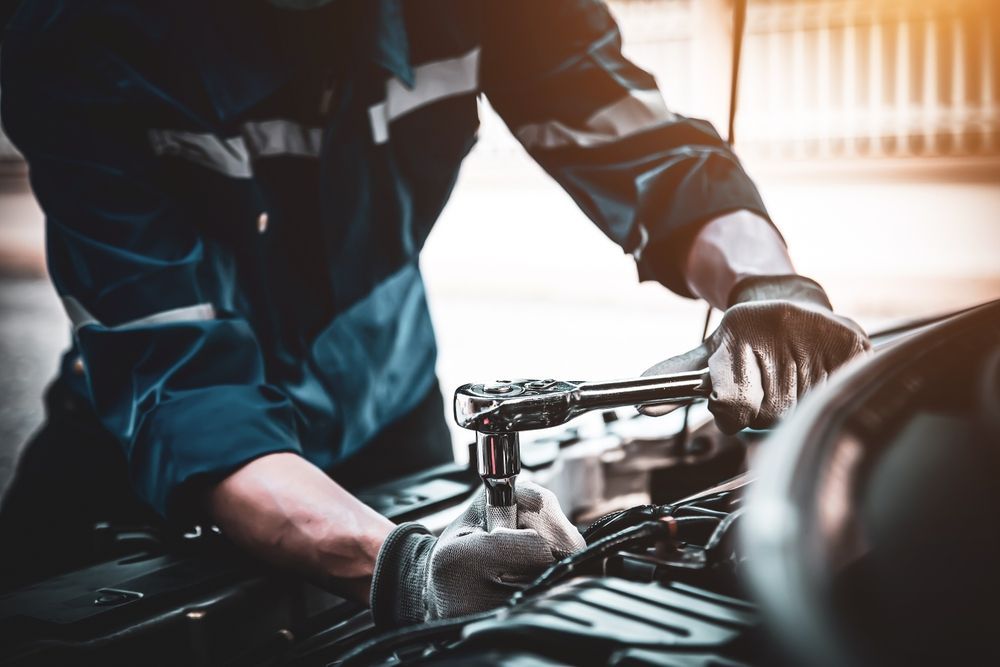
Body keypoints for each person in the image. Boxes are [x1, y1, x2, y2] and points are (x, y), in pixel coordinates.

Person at [0, 0, 869, 625]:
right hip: (136, 457)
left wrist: (767, 285)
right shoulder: (76, 33)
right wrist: (399, 566)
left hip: (387, 404)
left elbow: (646, 149)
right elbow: (184, 388)